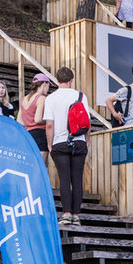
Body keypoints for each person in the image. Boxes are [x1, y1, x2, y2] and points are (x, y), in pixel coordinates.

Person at [44, 66, 91, 228]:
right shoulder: (80, 95)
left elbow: (49, 124)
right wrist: (86, 139)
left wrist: (49, 144)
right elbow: (87, 121)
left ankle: (66, 214)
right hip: (78, 141)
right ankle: (77, 215)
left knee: (64, 178)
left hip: (59, 142)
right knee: (77, 178)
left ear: (57, 80)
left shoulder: (51, 98)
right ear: (71, 80)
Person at [17, 73, 50, 164]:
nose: (48, 89)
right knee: (41, 166)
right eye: (48, 85)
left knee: (31, 165)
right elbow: (38, 119)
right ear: (44, 83)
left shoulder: (24, 99)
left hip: (28, 134)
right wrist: (49, 120)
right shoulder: (41, 98)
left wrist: (29, 123)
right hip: (40, 134)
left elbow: (19, 121)